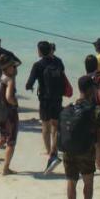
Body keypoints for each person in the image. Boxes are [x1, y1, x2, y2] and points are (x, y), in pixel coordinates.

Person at [62, 76, 100, 199]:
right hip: (86, 150)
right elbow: (99, 134)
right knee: (88, 181)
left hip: (68, 150)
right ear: (91, 89)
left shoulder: (69, 107)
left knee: (71, 181)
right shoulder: (93, 110)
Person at [25, 41, 68, 173]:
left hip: (44, 99)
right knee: (55, 125)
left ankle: (48, 151)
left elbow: (29, 83)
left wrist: (30, 87)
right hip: (57, 98)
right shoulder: (58, 62)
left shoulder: (38, 65)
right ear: (50, 50)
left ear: (39, 51)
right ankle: (54, 152)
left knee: (45, 125)